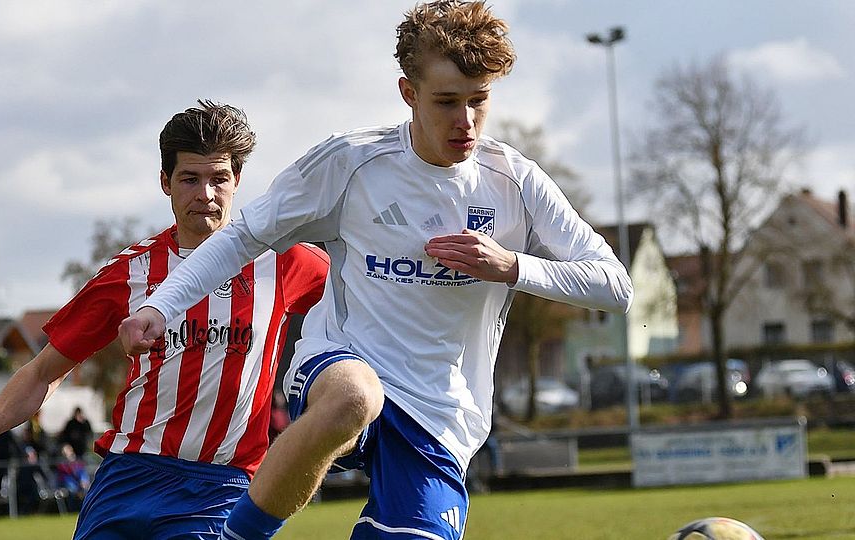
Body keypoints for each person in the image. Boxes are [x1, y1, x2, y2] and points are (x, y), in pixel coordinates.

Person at [120, 2, 633, 538]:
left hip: (441, 413)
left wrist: (512, 266)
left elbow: (616, 286)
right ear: (408, 93)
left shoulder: (516, 183)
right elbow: (244, 235)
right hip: (345, 364)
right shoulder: (351, 163)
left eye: (479, 101)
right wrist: (162, 305)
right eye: (446, 102)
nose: (465, 121)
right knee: (355, 399)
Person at [0, 101, 329, 539]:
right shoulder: (129, 271)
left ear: (238, 180)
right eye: (189, 179)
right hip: (128, 477)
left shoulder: (284, 261)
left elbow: (370, 287)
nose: (206, 194)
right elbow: (46, 369)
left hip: (221, 486)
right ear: (165, 182)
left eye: (219, 179)